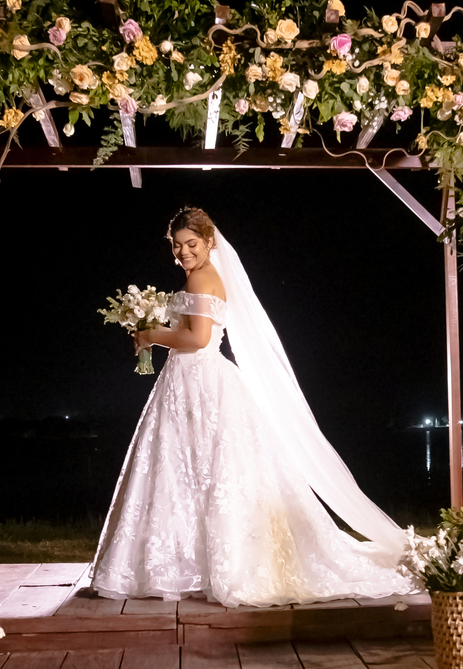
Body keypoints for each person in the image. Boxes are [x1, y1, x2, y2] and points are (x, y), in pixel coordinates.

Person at [90, 207, 414, 607]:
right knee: (190, 472)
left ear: (209, 242)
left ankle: (202, 565)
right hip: (190, 382)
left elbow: (197, 339)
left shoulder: (201, 276)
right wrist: (154, 330)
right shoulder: (206, 275)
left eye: (191, 244)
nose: (184, 252)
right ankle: (190, 563)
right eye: (177, 246)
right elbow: (192, 331)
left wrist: (151, 334)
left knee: (196, 472)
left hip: (201, 382)